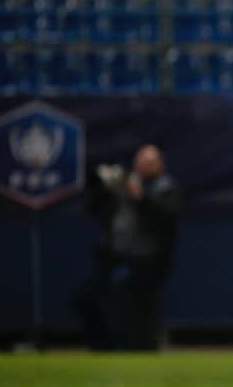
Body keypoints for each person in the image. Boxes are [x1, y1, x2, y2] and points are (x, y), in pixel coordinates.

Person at [74, 145, 179, 351]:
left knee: (129, 298)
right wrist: (104, 186)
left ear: (160, 165)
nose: (143, 167)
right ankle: (102, 347)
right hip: (115, 257)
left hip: (148, 262)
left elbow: (166, 220)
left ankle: (142, 345)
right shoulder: (122, 187)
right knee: (87, 297)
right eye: (140, 162)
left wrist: (140, 198)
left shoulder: (165, 188)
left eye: (149, 163)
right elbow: (94, 209)